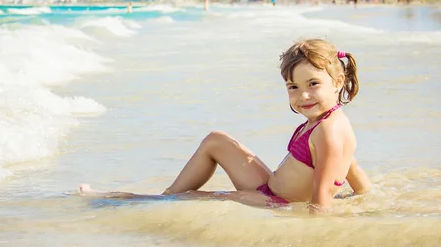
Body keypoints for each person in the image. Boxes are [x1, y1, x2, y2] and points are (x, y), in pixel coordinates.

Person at [80, 39, 372, 212]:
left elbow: (321, 198)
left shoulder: (329, 131)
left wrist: (320, 241)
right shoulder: (324, 121)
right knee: (216, 140)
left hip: (275, 200)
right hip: (271, 187)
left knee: (190, 200)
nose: (303, 95)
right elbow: (351, 167)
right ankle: (167, 195)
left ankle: (125, 202)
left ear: (338, 82)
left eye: (313, 84)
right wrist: (364, 198)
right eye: (293, 86)